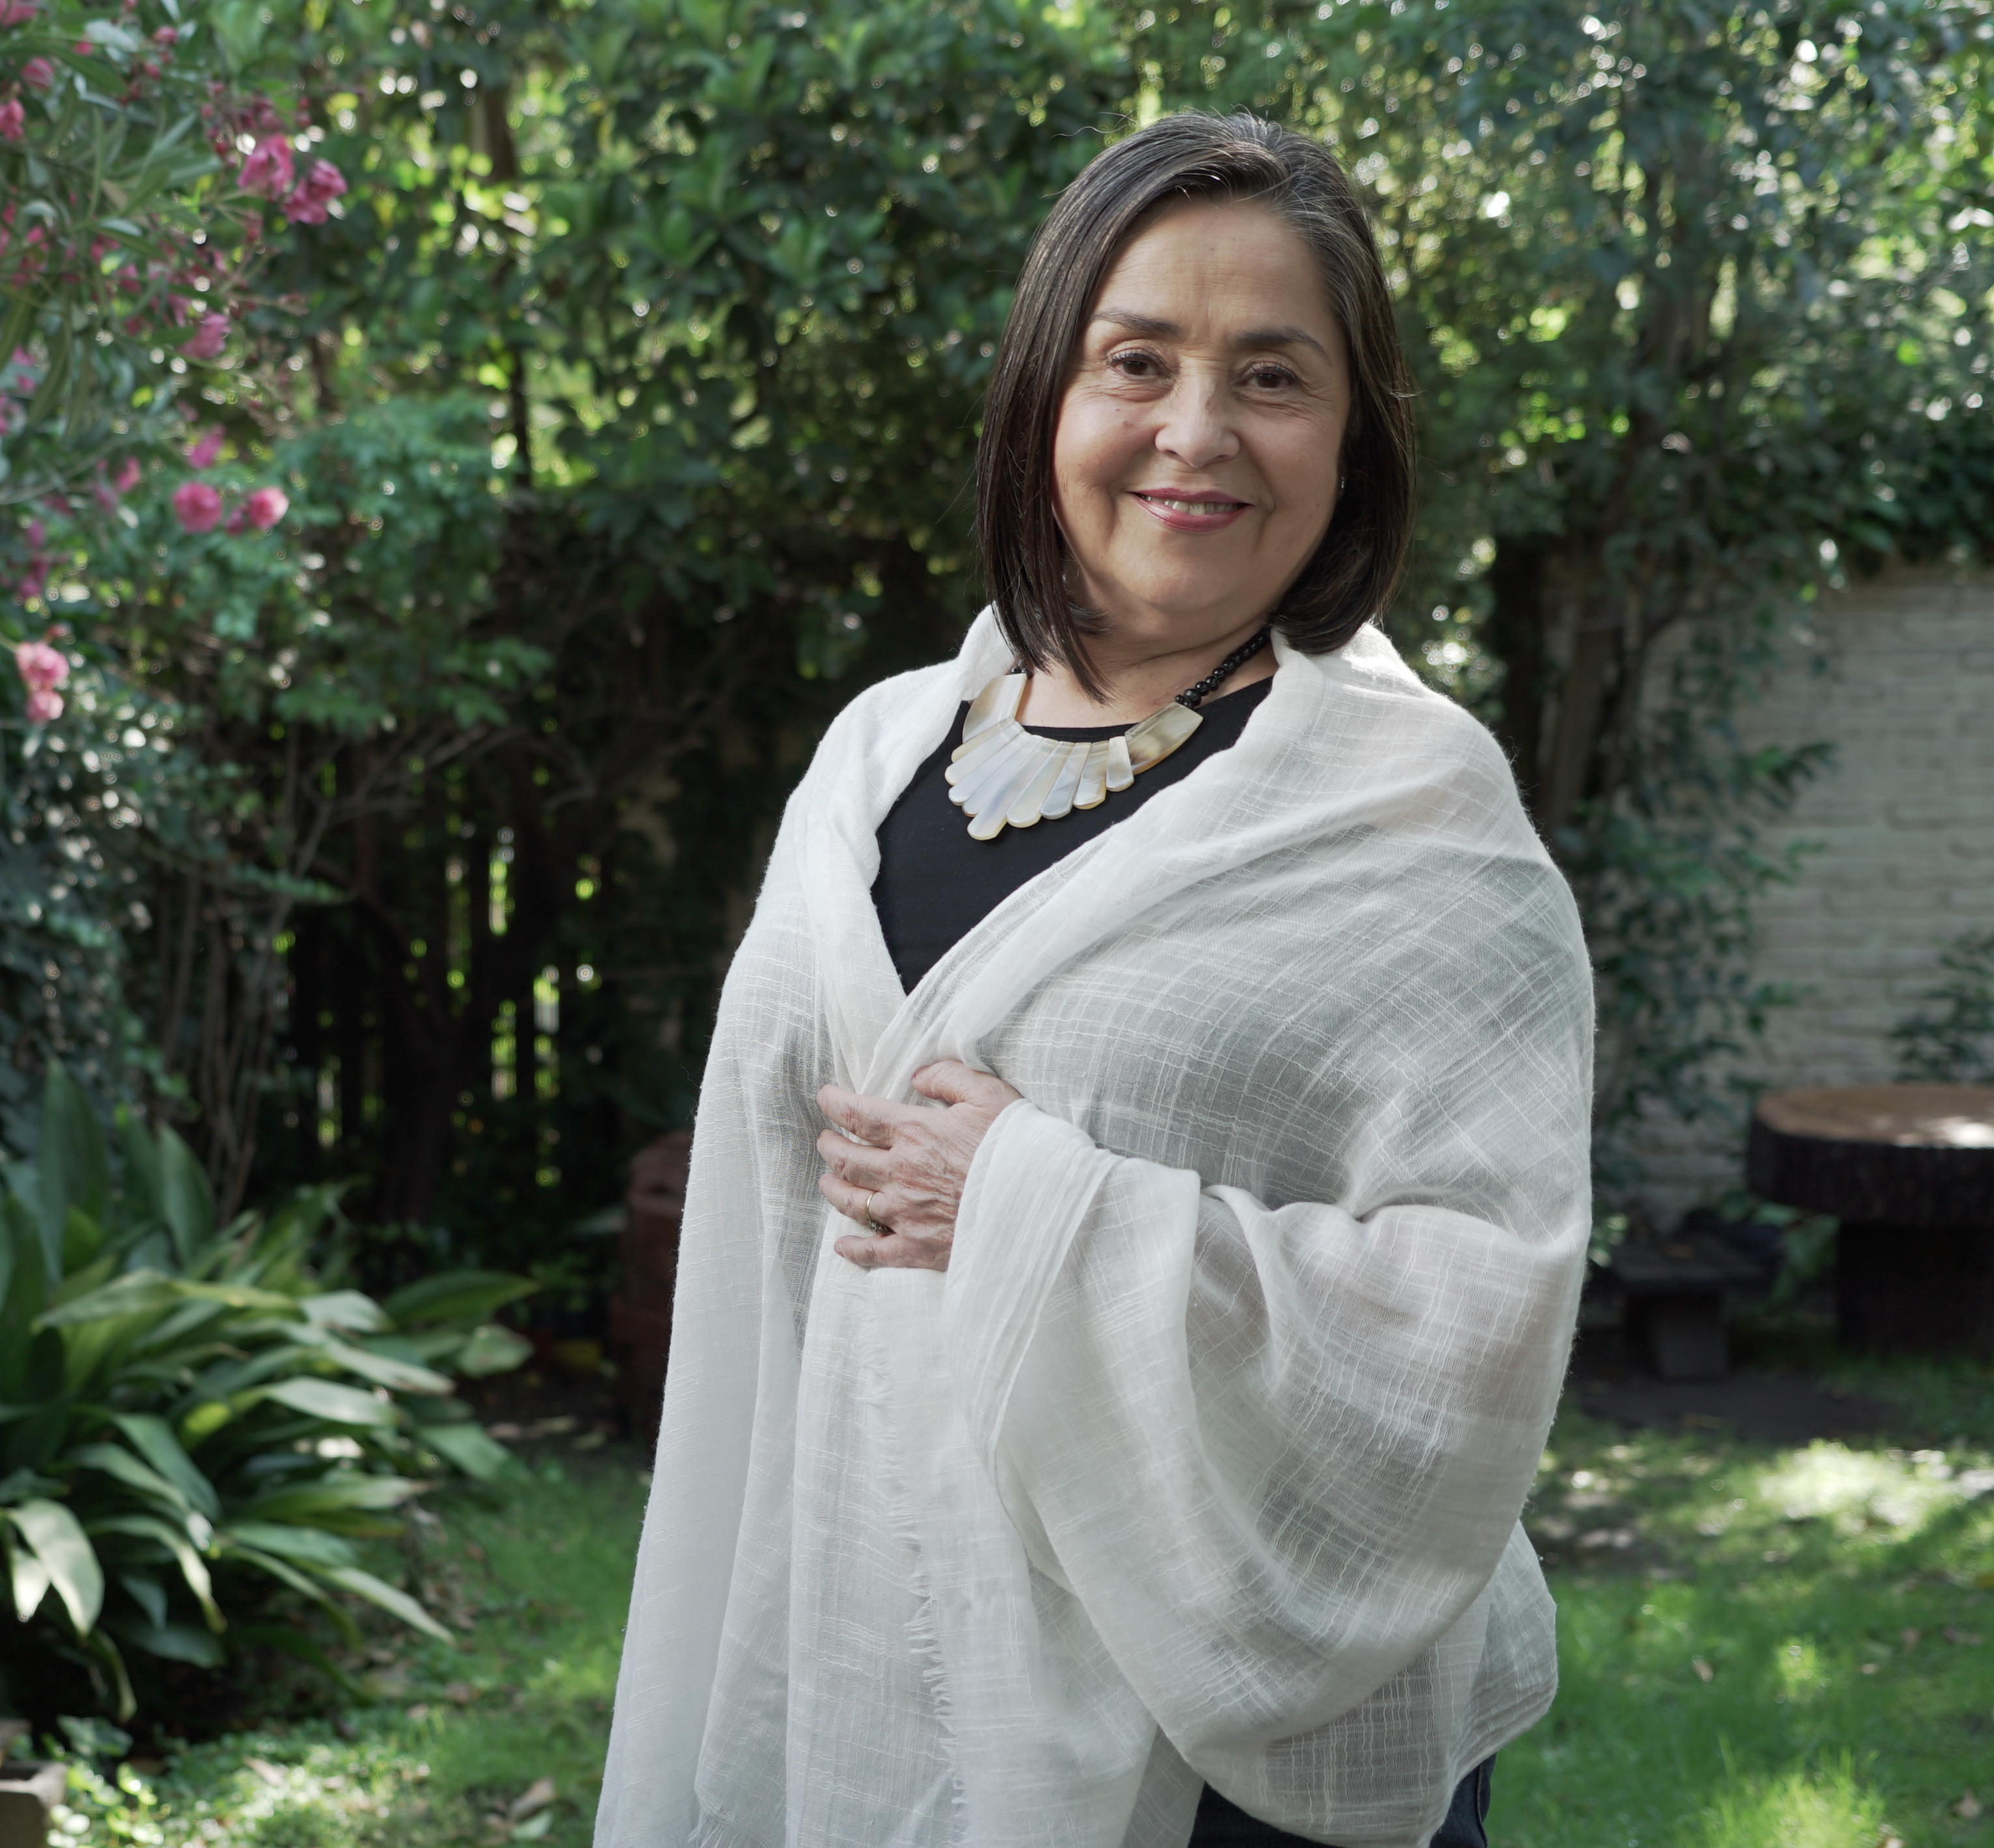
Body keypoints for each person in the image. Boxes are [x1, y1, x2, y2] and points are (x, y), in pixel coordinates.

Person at [594, 112, 1591, 1848]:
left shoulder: (1413, 816)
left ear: (1352, 443)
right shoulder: (879, 755)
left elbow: (1479, 1319)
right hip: (868, 1657)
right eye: (1138, 360)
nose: (1196, 433)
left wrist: (1038, 1205)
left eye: (1273, 377)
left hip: (1227, 1753)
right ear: (1047, 397)